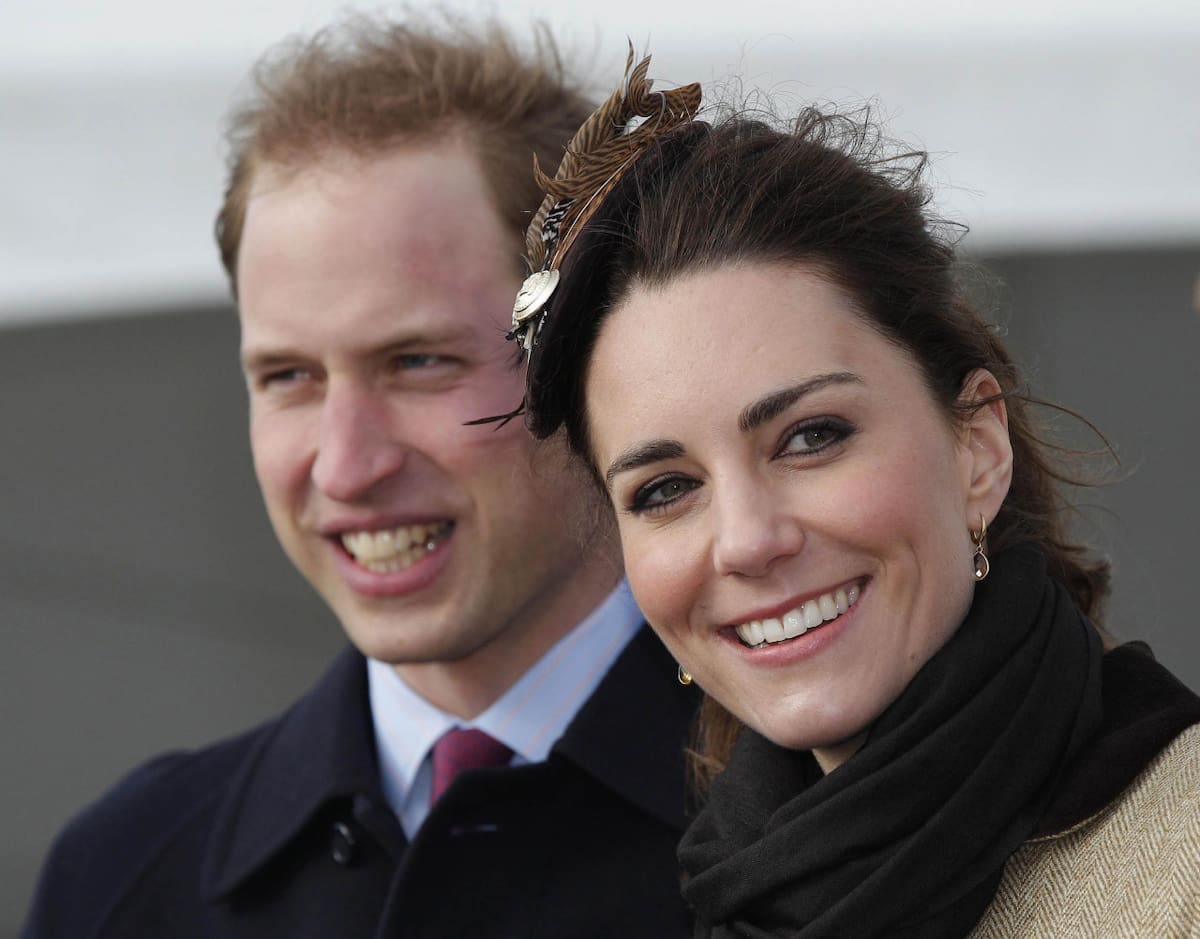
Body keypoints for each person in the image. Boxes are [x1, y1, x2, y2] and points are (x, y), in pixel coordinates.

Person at [22, 20, 697, 939]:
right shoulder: (124, 879)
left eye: (418, 361)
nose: (345, 463)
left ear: (595, 355)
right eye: (288, 377)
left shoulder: (835, 819)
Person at [507, 54, 1200, 937]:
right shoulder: (729, 897)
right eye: (667, 488)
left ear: (978, 449)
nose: (748, 539)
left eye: (811, 437)